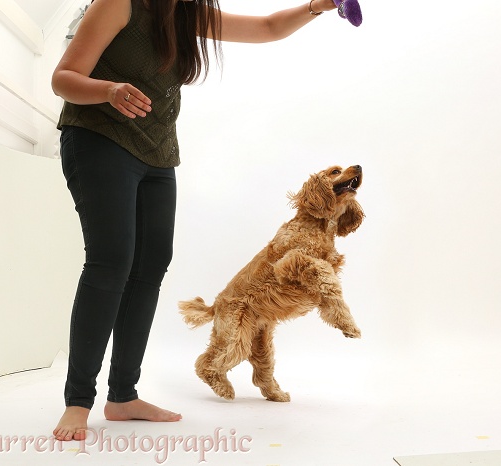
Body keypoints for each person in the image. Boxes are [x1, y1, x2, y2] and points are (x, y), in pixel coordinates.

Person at [51, 0, 338, 442]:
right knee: (111, 263)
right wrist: (108, 90)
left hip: (157, 153)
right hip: (99, 139)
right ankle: (77, 402)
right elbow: (64, 79)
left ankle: (123, 395)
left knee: (150, 267)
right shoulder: (118, 3)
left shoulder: (185, 13)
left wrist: (319, 6)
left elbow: (267, 26)